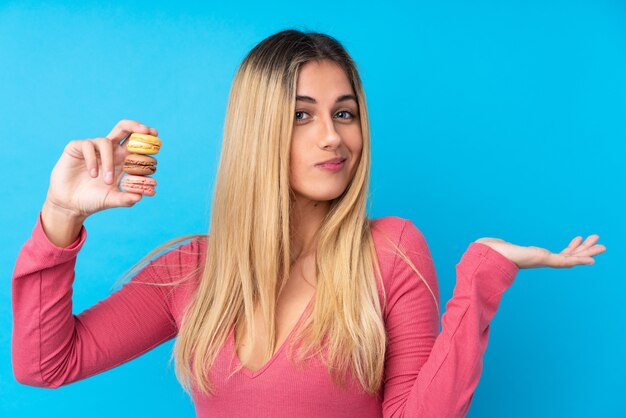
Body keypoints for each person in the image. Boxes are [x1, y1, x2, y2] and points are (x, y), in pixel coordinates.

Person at [11, 29, 605, 418]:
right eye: (302, 115)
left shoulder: (391, 250)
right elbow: (45, 365)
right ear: (258, 130)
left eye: (344, 113)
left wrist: (482, 274)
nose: (333, 136)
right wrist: (61, 215)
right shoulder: (193, 269)